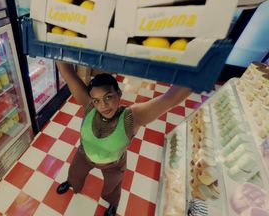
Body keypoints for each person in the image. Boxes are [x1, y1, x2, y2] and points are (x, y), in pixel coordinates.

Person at [55, 61, 192, 216]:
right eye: (97, 100)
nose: (103, 105)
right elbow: (68, 73)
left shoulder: (131, 117)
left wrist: (198, 73)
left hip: (113, 164)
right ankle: (71, 183)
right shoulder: (89, 105)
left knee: (112, 187)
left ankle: (112, 204)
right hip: (84, 155)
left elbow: (169, 99)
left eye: (108, 97)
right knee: (75, 172)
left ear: (119, 94)